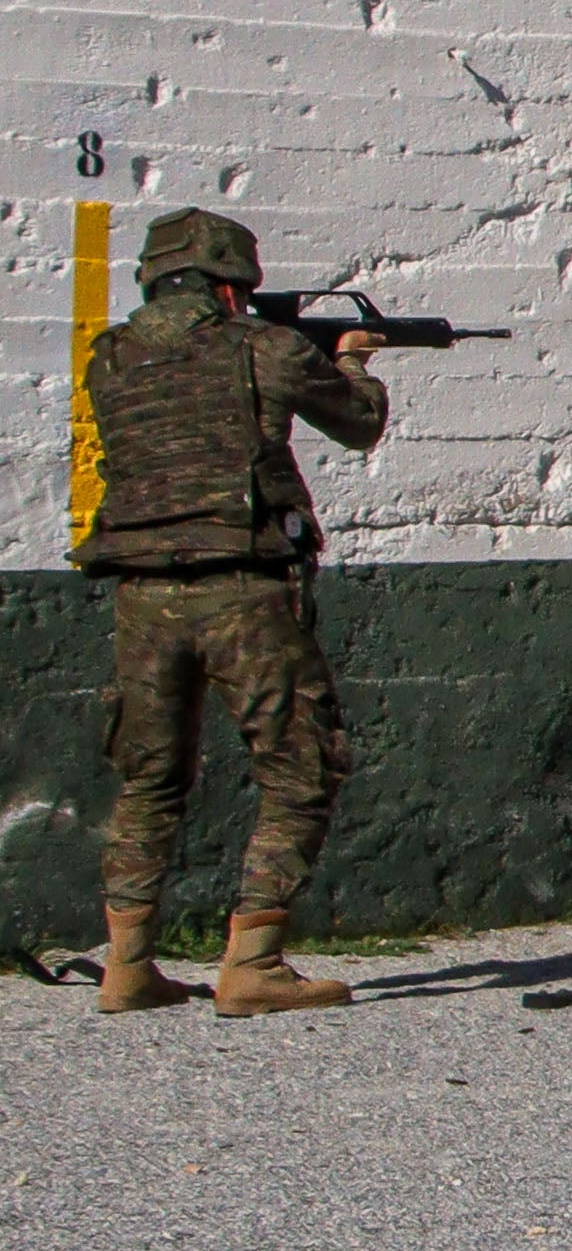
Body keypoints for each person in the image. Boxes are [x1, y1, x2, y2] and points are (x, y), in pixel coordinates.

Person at [70, 209, 397, 1017]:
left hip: (141, 590)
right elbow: (359, 424)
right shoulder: (263, 347)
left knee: (149, 777)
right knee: (299, 763)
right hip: (245, 586)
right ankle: (253, 959)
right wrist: (353, 362)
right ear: (229, 283)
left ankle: (127, 963)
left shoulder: (111, 357)